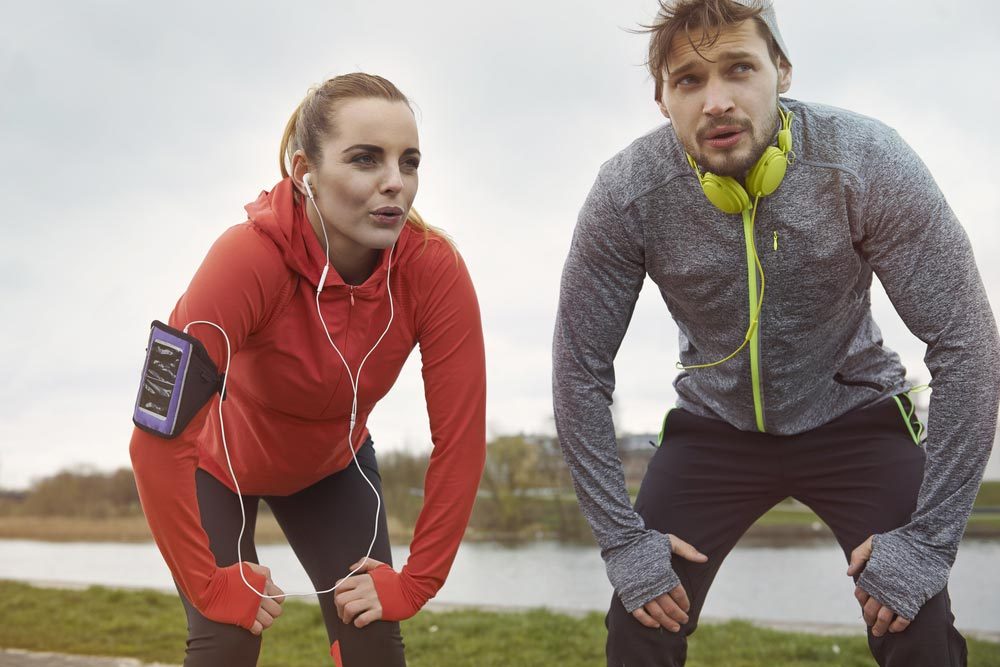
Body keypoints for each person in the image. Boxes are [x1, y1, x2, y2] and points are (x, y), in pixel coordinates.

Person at [551, 1, 999, 665]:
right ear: (662, 98)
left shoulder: (866, 163)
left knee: (915, 619)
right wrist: (622, 542)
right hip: (714, 426)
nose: (718, 101)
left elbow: (968, 346)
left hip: (857, 416)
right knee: (642, 615)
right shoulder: (628, 193)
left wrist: (928, 542)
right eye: (689, 81)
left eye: (739, 69)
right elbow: (578, 368)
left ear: (781, 71)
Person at [129, 72, 486, 666]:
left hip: (333, 467)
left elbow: (461, 440)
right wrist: (208, 584)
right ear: (304, 171)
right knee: (224, 641)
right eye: (365, 159)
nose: (395, 183)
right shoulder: (244, 260)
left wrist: (417, 581)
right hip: (218, 469)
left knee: (372, 639)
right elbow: (155, 437)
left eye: (410, 161)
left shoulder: (434, 270)